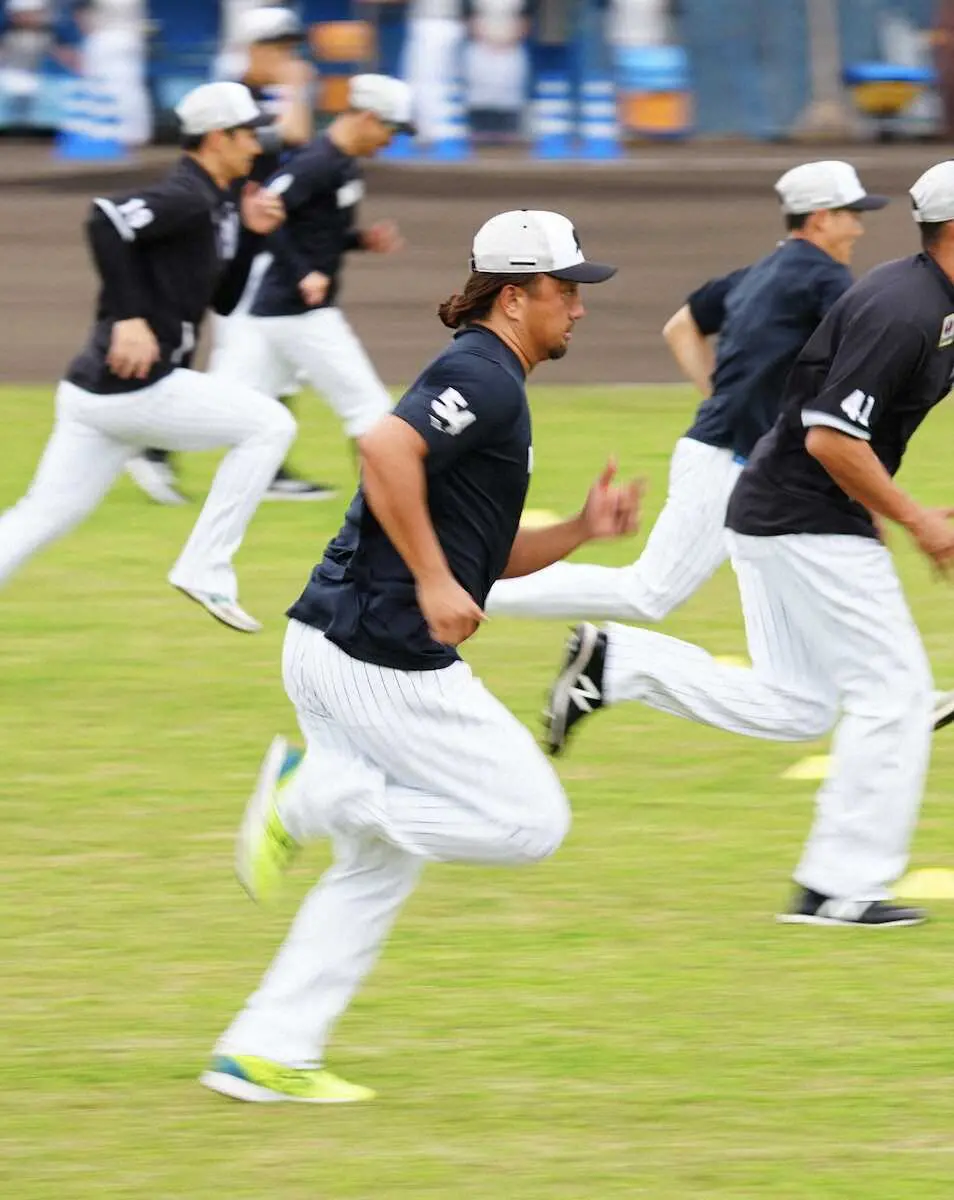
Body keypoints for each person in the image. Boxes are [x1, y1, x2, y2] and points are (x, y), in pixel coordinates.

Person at [199, 210, 637, 1104]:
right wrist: (435, 584)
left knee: (375, 868)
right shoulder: (483, 373)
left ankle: (265, 1051)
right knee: (529, 824)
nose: (579, 311)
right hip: (378, 656)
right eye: (566, 292)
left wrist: (582, 530)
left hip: (338, 642)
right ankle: (312, 795)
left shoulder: (490, 378)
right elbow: (384, 448)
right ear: (515, 298)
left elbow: (487, 551)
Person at [543, 161, 954, 929]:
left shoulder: (928, 299)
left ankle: (623, 664)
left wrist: (903, 508)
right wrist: (914, 519)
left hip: (782, 508)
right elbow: (832, 436)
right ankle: (838, 887)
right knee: (894, 694)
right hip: (805, 514)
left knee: (801, 705)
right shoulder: (903, 307)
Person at [487, 160, 886, 623]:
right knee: (649, 593)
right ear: (820, 218)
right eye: (851, 214)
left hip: (733, 455)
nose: (859, 227)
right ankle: (469, 589)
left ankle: (877, 688)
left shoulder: (754, 274)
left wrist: (722, 397)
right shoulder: (827, 279)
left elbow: (681, 327)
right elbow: (859, 362)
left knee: (806, 588)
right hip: (730, 460)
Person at [0, 81, 296, 634]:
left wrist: (254, 236)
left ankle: (204, 565)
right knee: (270, 424)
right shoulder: (186, 196)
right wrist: (130, 316)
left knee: (39, 517)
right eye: (247, 134)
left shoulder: (221, 205)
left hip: (96, 394)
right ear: (216, 138)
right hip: (136, 388)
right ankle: (205, 565)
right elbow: (105, 218)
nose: (256, 146)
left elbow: (224, 300)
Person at [127, 5, 326, 506]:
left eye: (291, 49)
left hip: (261, 241)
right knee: (238, 362)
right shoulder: (235, 103)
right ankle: (151, 446)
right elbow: (296, 136)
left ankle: (265, 466)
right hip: (237, 241)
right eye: (279, 48)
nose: (288, 58)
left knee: (272, 358)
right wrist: (298, 88)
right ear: (252, 50)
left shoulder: (259, 98)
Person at [211, 74, 414, 474]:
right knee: (370, 410)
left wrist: (360, 240)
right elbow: (265, 216)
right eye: (390, 129)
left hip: (278, 311)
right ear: (369, 118)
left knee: (229, 406)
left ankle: (148, 443)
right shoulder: (316, 164)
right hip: (299, 311)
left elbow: (317, 233)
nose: (391, 140)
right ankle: (377, 515)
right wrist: (305, 273)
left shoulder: (344, 165)